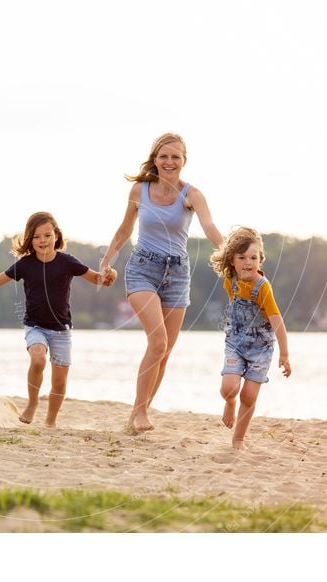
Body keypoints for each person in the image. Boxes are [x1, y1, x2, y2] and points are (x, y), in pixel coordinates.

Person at [99, 133, 223, 433]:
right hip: (142, 268)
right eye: (164, 156)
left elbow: (209, 228)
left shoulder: (192, 195)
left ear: (184, 161)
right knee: (158, 342)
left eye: (175, 157)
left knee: (164, 353)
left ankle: (136, 416)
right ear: (155, 158)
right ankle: (141, 413)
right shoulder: (139, 190)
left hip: (178, 275)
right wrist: (106, 262)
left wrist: (231, 256)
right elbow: (125, 228)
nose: (169, 162)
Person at [0, 211, 116, 428]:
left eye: (47, 235)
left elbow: (96, 278)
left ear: (56, 236)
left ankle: (50, 422)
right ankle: (32, 404)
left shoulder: (67, 262)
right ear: (30, 239)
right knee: (38, 359)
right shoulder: (25, 264)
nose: (43, 241)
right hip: (35, 327)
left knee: (59, 382)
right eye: (37, 236)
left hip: (61, 330)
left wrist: (109, 276)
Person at [209, 226, 291, 450]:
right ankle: (229, 402)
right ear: (232, 261)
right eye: (242, 257)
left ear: (260, 260)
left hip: (261, 348)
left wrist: (284, 354)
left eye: (253, 257)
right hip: (236, 343)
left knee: (249, 395)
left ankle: (238, 439)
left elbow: (277, 321)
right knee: (229, 388)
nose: (248, 262)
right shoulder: (231, 281)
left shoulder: (263, 288)